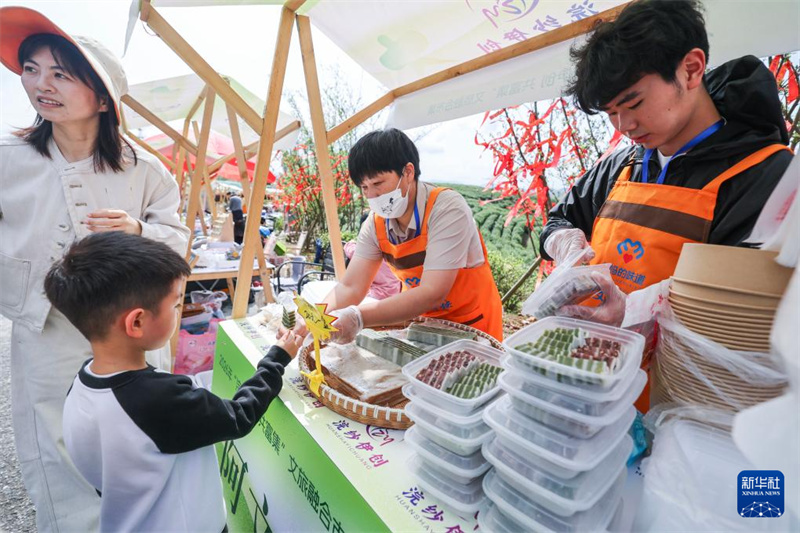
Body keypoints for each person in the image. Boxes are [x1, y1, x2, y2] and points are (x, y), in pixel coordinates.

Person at [539, 0, 793, 409]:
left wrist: (637, 308)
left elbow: (745, 310)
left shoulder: (767, 175)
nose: (624, 126)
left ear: (691, 69)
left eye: (634, 103)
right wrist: (565, 242)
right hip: (590, 386)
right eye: (611, 113)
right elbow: (560, 219)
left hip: (682, 408)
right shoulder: (622, 166)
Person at [0, 7, 190, 531]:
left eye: (62, 73)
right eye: (32, 69)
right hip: (45, 327)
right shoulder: (7, 159)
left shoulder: (144, 171)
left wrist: (138, 233)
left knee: (132, 434)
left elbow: (178, 244)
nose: (42, 83)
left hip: (129, 329)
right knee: (52, 438)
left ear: (103, 98)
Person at [44, 232, 301, 532]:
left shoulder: (82, 386)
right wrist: (277, 358)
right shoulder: (158, 399)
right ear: (136, 322)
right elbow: (239, 416)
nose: (181, 312)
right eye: (176, 305)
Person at [307, 128, 503, 342]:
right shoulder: (375, 224)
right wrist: (314, 318)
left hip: (472, 326)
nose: (372, 196)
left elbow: (433, 292)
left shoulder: (446, 208)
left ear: (408, 172)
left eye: (378, 183)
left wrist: (358, 317)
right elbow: (350, 286)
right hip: (422, 325)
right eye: (364, 187)